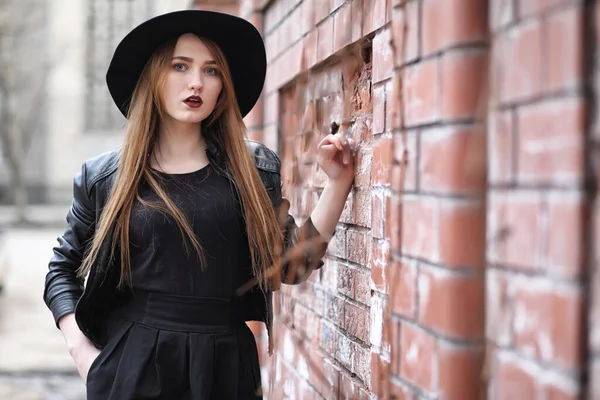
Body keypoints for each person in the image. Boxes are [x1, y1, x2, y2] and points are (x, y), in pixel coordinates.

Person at [43, 9, 355, 400]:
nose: (196, 82)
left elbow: (291, 264)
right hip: (131, 365)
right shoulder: (106, 177)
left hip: (226, 367)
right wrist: (81, 351)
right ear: (153, 76)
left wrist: (338, 182)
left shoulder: (254, 170)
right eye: (180, 66)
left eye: (211, 71)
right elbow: (62, 268)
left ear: (223, 85)